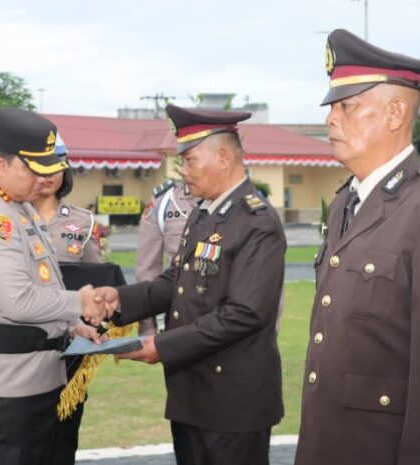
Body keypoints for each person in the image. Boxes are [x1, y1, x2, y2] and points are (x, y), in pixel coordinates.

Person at [294, 29, 420, 465]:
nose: (330, 119)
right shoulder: (346, 200)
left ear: (396, 113)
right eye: (332, 107)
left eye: (347, 106)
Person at [95, 103, 286, 465]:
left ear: (225, 157)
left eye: (190, 160)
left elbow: (243, 314)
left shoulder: (257, 222)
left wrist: (162, 345)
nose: (183, 173)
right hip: (191, 396)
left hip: (233, 405)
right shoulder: (203, 213)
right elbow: (174, 282)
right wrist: (117, 301)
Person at [0, 107, 107, 465]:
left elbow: (43, 282)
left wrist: (72, 327)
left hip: (31, 381)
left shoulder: (17, 206)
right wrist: (79, 304)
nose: (42, 180)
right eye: (34, 170)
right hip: (3, 390)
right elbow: (17, 301)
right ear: (0, 166)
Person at [29, 132, 102, 464]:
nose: (46, 176)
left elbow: (97, 281)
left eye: (54, 167)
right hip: (23, 340)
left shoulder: (83, 222)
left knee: (64, 434)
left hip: (69, 343)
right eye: (39, 167)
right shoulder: (10, 218)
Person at [135, 178, 198, 335]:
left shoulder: (239, 200)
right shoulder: (165, 201)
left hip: (231, 322)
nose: (184, 169)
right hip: (181, 321)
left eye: (191, 159)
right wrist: (147, 327)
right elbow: (146, 271)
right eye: (183, 160)